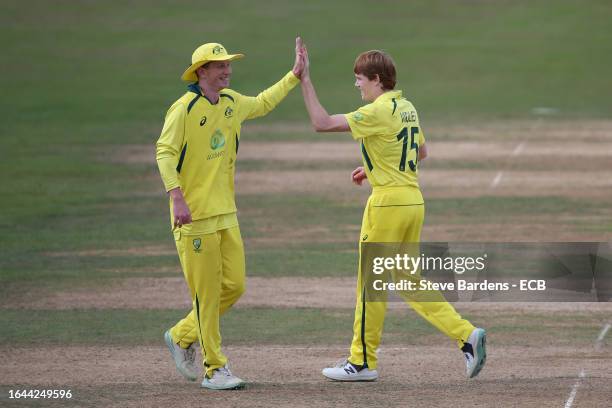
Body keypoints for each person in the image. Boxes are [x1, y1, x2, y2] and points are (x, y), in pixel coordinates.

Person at [298, 43, 487, 381]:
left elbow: (321, 122)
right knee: (409, 280)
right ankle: (466, 335)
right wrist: (374, 168)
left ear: (376, 79)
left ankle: (361, 362)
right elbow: (422, 151)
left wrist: (305, 80)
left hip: (386, 205)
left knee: (370, 285)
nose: (356, 85)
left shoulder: (376, 112)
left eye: (359, 78)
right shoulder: (407, 106)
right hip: (412, 201)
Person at [156, 39, 304, 390]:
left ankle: (181, 335)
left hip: (226, 213)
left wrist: (294, 76)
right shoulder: (184, 109)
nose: (228, 70)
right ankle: (214, 369)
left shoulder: (231, 102)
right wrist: (176, 197)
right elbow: (164, 152)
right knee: (206, 296)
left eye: (228, 64)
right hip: (194, 219)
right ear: (201, 71)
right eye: (220, 65)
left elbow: (264, 103)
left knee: (234, 286)